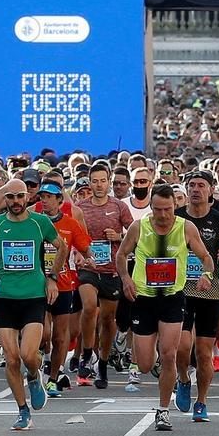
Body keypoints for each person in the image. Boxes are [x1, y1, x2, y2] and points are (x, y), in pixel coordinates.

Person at [117, 184, 213, 432]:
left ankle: (163, 410)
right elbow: (121, 254)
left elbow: (206, 257)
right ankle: (166, 373)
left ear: (175, 207)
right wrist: (126, 279)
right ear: (151, 208)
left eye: (168, 209)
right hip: (144, 299)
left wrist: (207, 275)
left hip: (172, 298)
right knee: (146, 364)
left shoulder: (185, 227)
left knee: (169, 353)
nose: (163, 215)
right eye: (158, 209)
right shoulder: (139, 227)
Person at [0, 178, 59, 430]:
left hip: (33, 298)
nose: (16, 201)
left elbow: (61, 246)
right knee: (11, 359)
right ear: (4, 200)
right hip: (4, 299)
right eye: (11, 197)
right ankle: (23, 410)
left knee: (28, 355)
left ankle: (34, 376)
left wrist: (52, 277)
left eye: (20, 196)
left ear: (28, 198)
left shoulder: (40, 222)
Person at [175, 169, 219, 421]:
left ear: (211, 190)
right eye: (191, 185)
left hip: (209, 291)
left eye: (201, 185)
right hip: (180, 290)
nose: (195, 190)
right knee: (182, 347)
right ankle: (182, 378)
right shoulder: (176, 218)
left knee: (203, 352)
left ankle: (201, 401)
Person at [75, 162, 132, 389]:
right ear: (89, 183)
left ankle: (103, 363)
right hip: (89, 267)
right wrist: (79, 251)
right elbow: (73, 234)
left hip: (112, 269)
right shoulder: (80, 207)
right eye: (94, 181)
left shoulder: (119, 207)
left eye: (102, 180)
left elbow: (133, 233)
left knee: (108, 320)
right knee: (89, 307)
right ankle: (87, 354)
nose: (99, 185)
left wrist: (118, 236)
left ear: (109, 182)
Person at [38, 180, 90, 396]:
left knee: (61, 336)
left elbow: (86, 248)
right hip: (37, 285)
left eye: (49, 196)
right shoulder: (34, 222)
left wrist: (85, 257)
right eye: (42, 196)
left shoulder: (70, 223)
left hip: (64, 285)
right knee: (44, 333)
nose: (45, 200)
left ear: (60, 200)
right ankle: (43, 360)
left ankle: (52, 378)